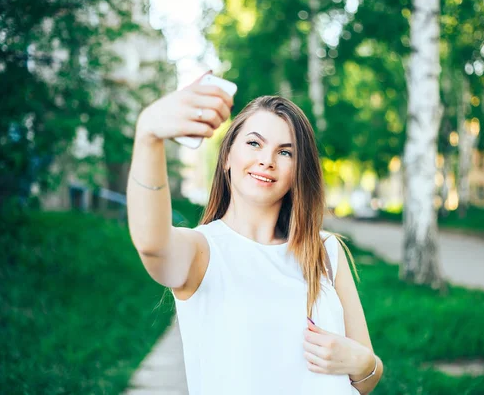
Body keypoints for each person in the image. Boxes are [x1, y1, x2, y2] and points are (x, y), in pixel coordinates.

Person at [126, 72, 384, 395]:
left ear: (297, 172)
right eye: (254, 143)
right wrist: (149, 133)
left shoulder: (326, 250)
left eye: (285, 152)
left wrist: (362, 363)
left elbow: (368, 377)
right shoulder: (203, 251)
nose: (267, 160)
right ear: (227, 158)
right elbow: (151, 244)